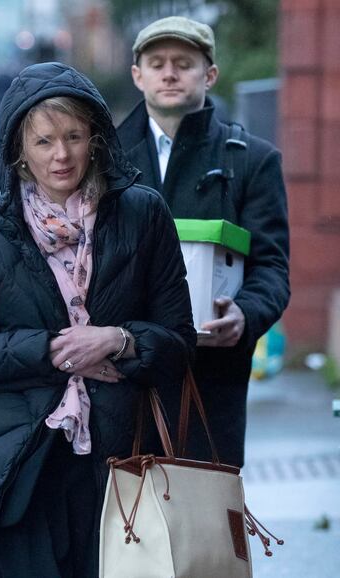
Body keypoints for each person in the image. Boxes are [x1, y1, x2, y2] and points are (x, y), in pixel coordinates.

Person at [0, 61, 196, 578]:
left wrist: (118, 340)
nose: (62, 155)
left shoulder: (143, 214)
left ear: (96, 138)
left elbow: (179, 342)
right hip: (18, 460)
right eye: (44, 141)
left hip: (121, 461)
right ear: (18, 151)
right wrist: (56, 350)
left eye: (75, 136)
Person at [117, 16, 290, 467]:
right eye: (156, 63)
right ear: (138, 75)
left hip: (212, 386)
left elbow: (272, 268)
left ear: (209, 74)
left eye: (183, 63)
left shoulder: (254, 160)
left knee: (206, 527)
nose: (169, 73)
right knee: (124, 526)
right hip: (121, 378)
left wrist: (245, 315)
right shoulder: (104, 160)